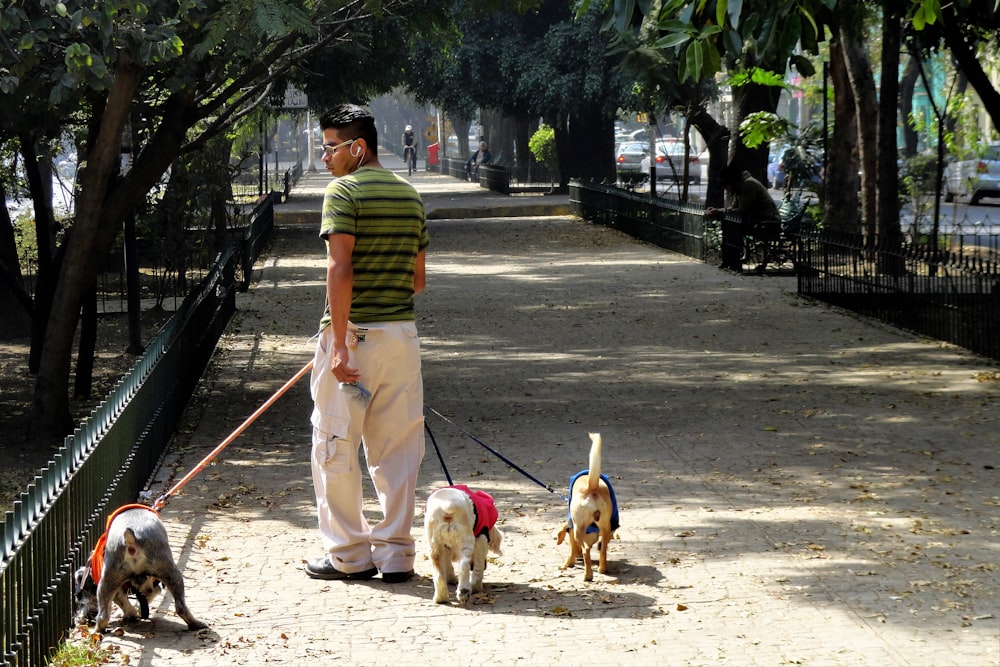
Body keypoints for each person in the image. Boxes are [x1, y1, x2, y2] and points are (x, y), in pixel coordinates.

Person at [306, 104, 429, 584]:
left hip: (353, 337)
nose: (324, 159)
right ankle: (396, 553)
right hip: (401, 336)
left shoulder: (344, 191)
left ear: (358, 148)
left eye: (332, 147)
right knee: (398, 446)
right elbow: (417, 280)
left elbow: (340, 267)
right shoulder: (410, 195)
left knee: (336, 442)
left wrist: (338, 344)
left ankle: (350, 555)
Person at [705, 164, 780, 273]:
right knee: (729, 225)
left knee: (732, 227)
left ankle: (734, 262)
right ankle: (729, 261)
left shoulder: (748, 185)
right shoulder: (740, 186)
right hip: (756, 220)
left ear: (732, 181)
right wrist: (718, 211)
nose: (726, 189)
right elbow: (734, 208)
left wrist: (720, 212)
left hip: (766, 222)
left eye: (726, 185)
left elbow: (742, 210)